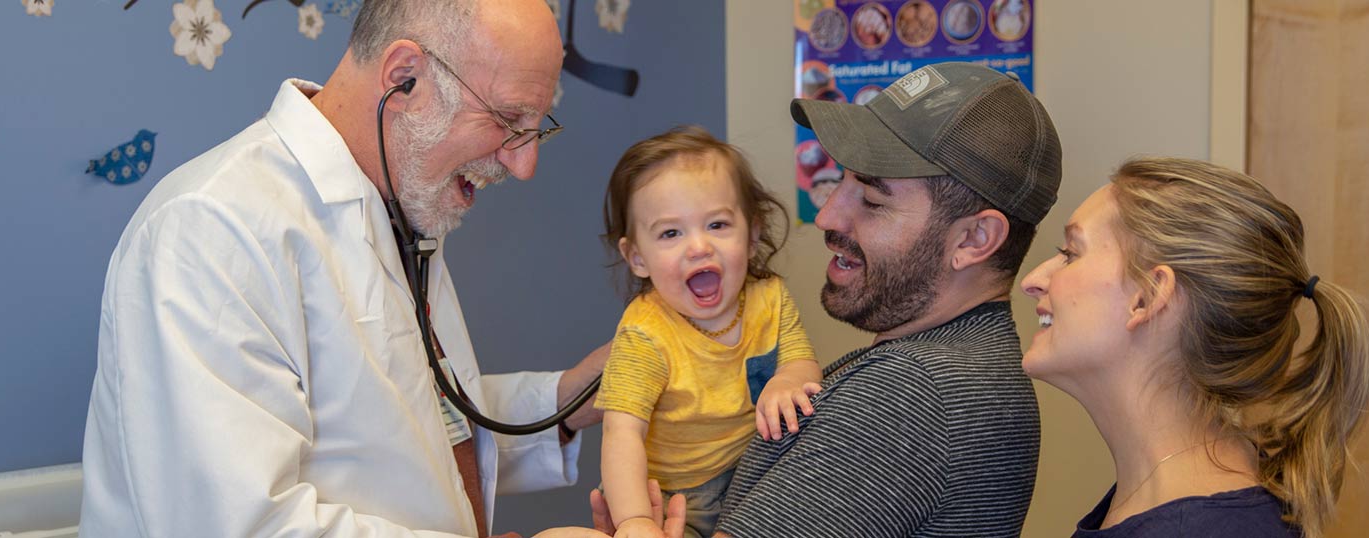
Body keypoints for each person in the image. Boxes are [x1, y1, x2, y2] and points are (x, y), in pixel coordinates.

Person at [79, 1, 669, 536]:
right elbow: (238, 526)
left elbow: (415, 422)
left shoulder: (401, 209)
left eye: (535, 129)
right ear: (403, 77)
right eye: (507, 120)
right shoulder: (211, 231)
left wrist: (571, 399)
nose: (523, 165)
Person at [589, 62, 1060, 536]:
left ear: (974, 238)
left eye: (873, 201)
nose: (828, 215)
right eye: (841, 183)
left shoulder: (913, 393)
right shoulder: (979, 364)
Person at [1018, 157, 1369, 538]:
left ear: (1149, 296)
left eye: (1071, 252)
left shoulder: (1200, 525)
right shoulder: (1181, 500)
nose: (1033, 280)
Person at [593, 127, 822, 538]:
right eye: (670, 233)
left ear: (751, 236)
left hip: (754, 472)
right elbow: (622, 431)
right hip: (673, 498)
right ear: (638, 257)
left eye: (717, 224)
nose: (698, 247)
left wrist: (789, 380)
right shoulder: (645, 333)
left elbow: (801, 360)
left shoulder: (769, 297)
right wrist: (635, 520)